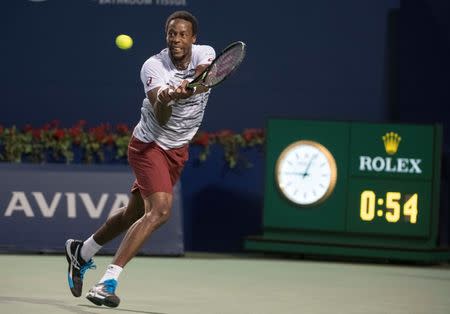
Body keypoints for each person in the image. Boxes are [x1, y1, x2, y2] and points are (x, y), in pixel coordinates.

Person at [64, 10, 215, 308]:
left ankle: (81, 252)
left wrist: (191, 88)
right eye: (172, 33)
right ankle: (108, 281)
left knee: (133, 213)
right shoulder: (153, 66)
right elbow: (161, 115)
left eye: (183, 34)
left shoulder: (205, 53)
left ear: (193, 38)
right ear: (166, 36)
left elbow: (206, 80)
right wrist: (170, 96)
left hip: (178, 150)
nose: (177, 39)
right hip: (149, 146)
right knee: (159, 211)